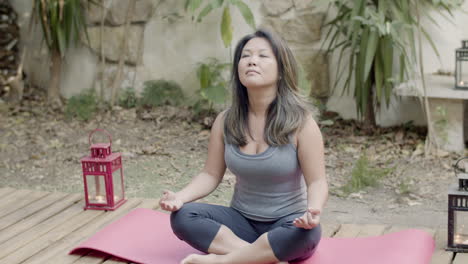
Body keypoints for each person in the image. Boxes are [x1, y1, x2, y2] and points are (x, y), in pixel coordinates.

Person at [159, 28, 328, 264]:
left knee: (307, 233)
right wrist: (180, 197)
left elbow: (317, 181)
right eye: (246, 55)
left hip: (287, 224)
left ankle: (224, 261)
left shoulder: (302, 123)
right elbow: (210, 174)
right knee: (184, 216)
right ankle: (262, 257)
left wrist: (313, 210)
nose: (252, 61)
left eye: (262, 56)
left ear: (281, 70)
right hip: (241, 223)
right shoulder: (225, 121)